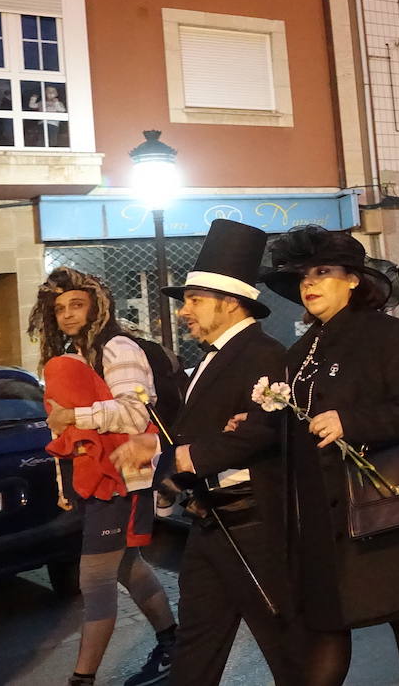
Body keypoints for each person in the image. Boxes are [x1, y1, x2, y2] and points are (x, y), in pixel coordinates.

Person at [258, 226, 399, 686]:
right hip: (321, 517)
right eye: (304, 275)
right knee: (328, 626)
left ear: (353, 279)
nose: (309, 283)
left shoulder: (390, 334)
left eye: (323, 272)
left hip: (383, 505)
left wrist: (350, 422)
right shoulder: (299, 351)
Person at [157, 219, 301, 685]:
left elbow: (264, 431)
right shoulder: (209, 358)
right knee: (197, 645)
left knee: (285, 649)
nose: (184, 311)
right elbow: (201, 431)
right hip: (207, 523)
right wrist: (172, 472)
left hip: (251, 527)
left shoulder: (263, 353)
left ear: (231, 302)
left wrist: (184, 459)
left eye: (194, 300)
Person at [26, 268, 176, 686]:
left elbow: (134, 413)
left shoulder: (118, 346)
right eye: (59, 308)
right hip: (104, 481)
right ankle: (173, 642)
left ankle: (82, 679)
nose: (68, 314)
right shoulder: (79, 353)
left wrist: (73, 414)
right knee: (129, 567)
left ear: (97, 305)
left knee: (93, 578)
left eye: (77, 304)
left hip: (124, 480)